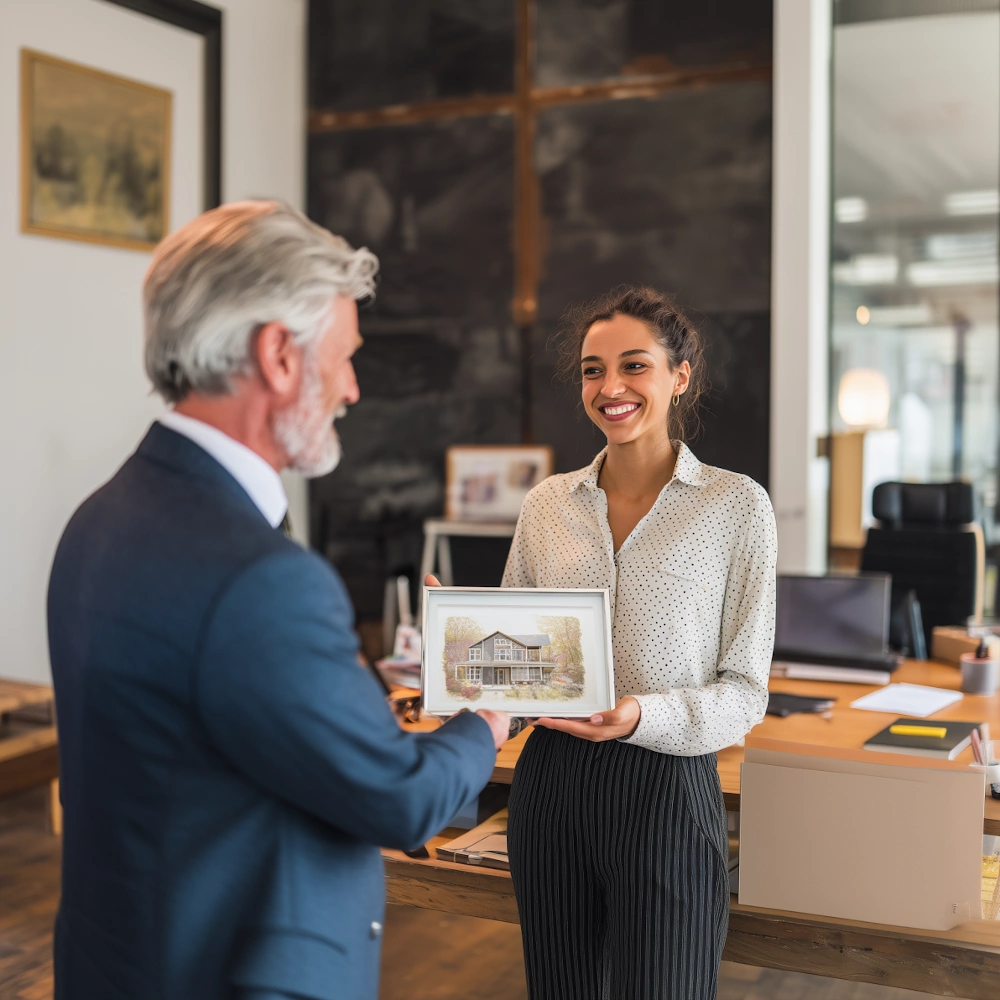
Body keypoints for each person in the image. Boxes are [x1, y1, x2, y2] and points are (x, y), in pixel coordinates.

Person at [47, 200, 509, 1000]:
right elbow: (400, 799)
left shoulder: (99, 519)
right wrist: (486, 717)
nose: (353, 389)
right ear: (279, 357)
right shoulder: (262, 579)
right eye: (346, 356)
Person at [502, 286, 777, 1000]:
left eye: (634, 366)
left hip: (666, 786)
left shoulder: (736, 505)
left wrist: (638, 717)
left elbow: (746, 691)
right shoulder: (546, 506)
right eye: (593, 370)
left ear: (679, 375)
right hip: (551, 786)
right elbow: (516, 667)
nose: (611, 388)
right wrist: (460, 643)